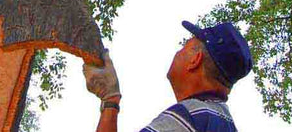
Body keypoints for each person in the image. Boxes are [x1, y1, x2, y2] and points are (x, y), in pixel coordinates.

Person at [83, 20, 253, 131]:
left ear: (195, 59)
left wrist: (110, 99)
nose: (178, 52)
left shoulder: (191, 116)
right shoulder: (222, 123)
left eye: (185, 45)